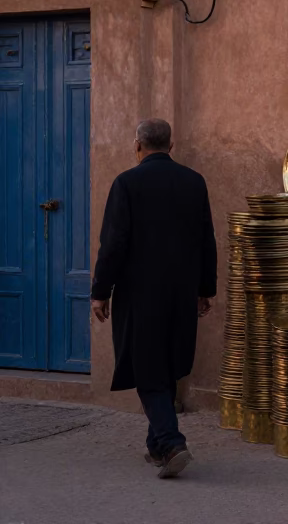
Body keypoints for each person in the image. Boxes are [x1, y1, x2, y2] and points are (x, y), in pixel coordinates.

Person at [90, 119, 217, 479]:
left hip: (140, 293)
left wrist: (101, 292)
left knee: (148, 368)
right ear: (171, 145)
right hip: (181, 292)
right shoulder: (194, 182)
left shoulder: (127, 183)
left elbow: (113, 243)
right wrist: (206, 288)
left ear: (137, 146)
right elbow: (206, 239)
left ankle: (173, 442)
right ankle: (157, 446)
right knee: (167, 363)